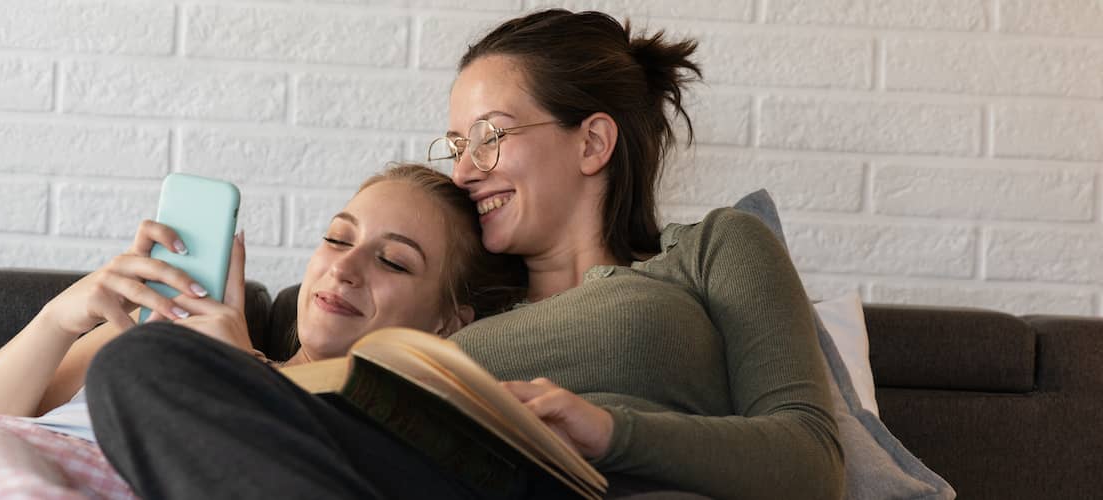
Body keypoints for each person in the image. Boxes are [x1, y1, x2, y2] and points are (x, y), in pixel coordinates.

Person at [85, 9, 845, 499]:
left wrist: (608, 430)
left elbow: (812, 458)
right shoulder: (453, 302)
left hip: (585, 484)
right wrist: (247, 363)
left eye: (489, 135)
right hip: (417, 473)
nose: (465, 169)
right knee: (140, 366)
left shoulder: (710, 249)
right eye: (457, 145)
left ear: (592, 141)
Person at [0, 163, 524, 499]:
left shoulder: (385, 435)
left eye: (393, 261)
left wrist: (233, 386)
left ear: (449, 321)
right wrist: (61, 318)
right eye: (337, 238)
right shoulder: (149, 338)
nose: (344, 269)